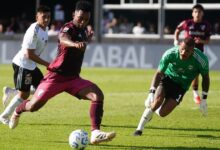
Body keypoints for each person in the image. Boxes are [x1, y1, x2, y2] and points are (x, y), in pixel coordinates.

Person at [9, 0, 116, 145]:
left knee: (97, 94)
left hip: (72, 78)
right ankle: (17, 111)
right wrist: (75, 44)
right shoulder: (68, 27)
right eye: (80, 18)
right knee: (34, 106)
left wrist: (86, 39)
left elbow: (81, 43)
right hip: (56, 77)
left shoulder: (84, 30)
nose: (83, 21)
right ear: (74, 15)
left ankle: (95, 133)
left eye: (86, 19)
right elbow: (63, 39)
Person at [133, 37, 210, 136]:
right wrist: (151, 93)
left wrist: (204, 99)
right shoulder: (170, 53)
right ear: (179, 46)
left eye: (187, 51)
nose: (183, 52)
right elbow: (159, 73)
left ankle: (151, 110)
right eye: (182, 49)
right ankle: (139, 129)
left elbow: (206, 78)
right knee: (157, 101)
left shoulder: (201, 60)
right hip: (167, 79)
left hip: (181, 87)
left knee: (162, 113)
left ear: (193, 51)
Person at [0, 5, 51, 124]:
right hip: (23, 64)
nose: (47, 19)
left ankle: (11, 91)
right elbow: (29, 54)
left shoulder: (46, 28)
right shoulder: (34, 31)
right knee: (25, 94)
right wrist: (47, 64)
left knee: (42, 88)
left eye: (49, 17)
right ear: (37, 17)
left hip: (31, 65)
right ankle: (4, 116)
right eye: (44, 17)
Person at [173, 4, 211, 105]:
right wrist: (176, 41)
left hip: (197, 54)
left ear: (202, 13)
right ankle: (174, 92)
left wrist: (201, 40)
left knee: (195, 74)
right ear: (192, 13)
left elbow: (207, 40)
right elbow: (177, 30)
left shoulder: (206, 25)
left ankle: (195, 94)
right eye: (195, 11)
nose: (197, 14)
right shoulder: (187, 23)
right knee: (178, 71)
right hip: (184, 52)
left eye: (199, 12)